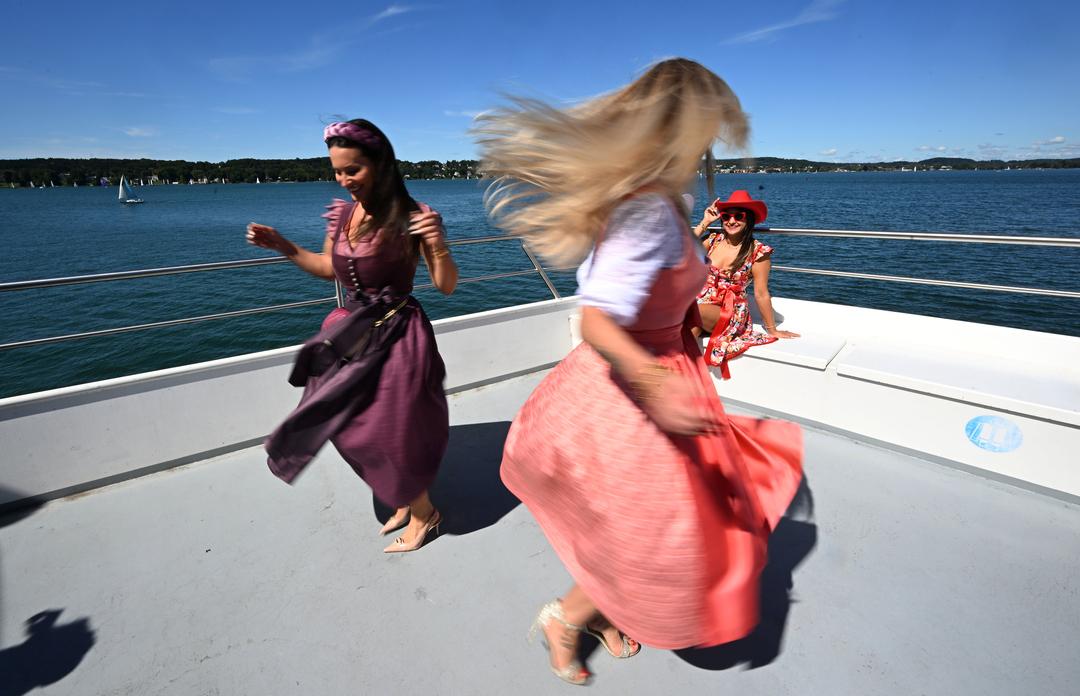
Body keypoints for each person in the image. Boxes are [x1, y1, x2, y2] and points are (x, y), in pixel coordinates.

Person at [476, 59, 803, 685]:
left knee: (643, 526)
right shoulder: (648, 210)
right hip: (633, 390)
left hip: (666, 371)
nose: (709, 146)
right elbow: (597, 320)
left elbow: (660, 295)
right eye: (704, 131)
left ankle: (596, 610)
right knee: (655, 535)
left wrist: (695, 320)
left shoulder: (670, 203)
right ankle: (565, 618)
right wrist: (657, 386)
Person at [245, 119, 458, 553]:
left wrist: (438, 243)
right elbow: (330, 269)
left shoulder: (414, 216)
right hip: (352, 332)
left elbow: (446, 285)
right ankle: (404, 498)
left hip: (399, 335)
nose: (344, 180)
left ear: (380, 164)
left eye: (353, 170)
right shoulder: (343, 214)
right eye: (338, 171)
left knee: (391, 430)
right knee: (345, 425)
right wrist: (284, 246)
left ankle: (425, 514)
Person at [692, 190, 799, 379]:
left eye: (738, 216)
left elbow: (761, 293)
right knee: (687, 327)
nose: (731, 221)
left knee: (688, 311)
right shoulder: (713, 240)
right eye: (726, 216)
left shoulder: (758, 252)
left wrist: (772, 329)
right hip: (702, 304)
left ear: (748, 219)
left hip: (729, 312)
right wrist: (705, 222)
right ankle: (678, 375)